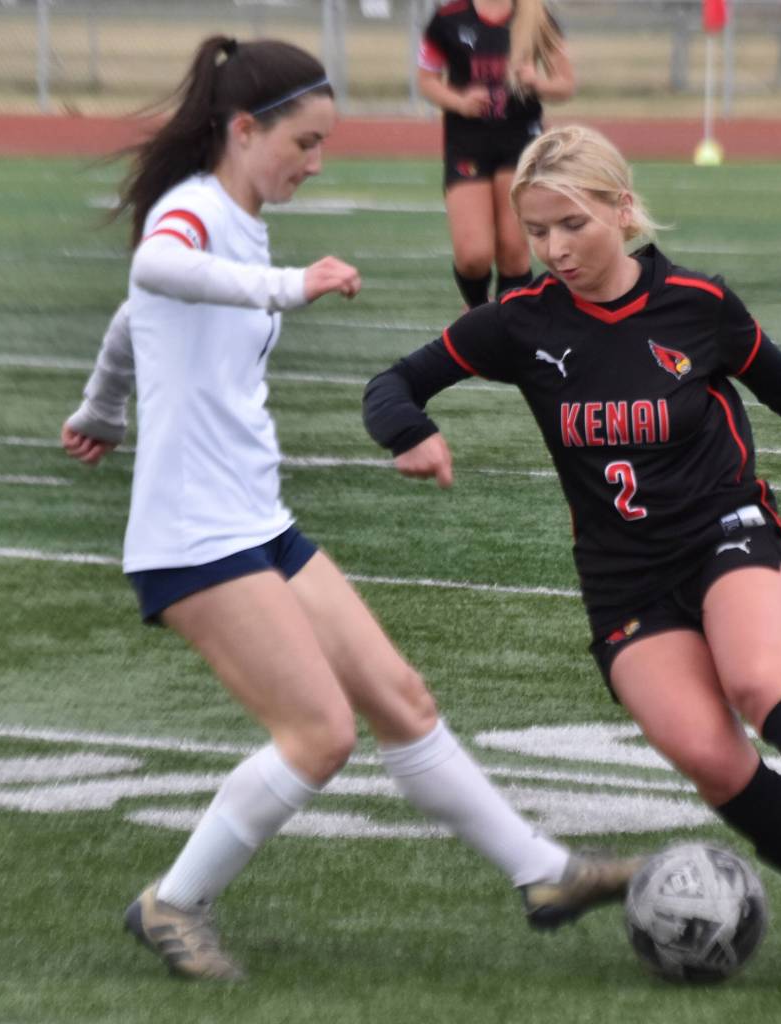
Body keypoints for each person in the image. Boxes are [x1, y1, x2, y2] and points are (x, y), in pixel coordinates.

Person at [61, 46, 639, 982]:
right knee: (319, 735)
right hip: (191, 534)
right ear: (244, 130)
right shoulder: (194, 212)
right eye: (305, 142)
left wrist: (100, 410)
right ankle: (174, 903)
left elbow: (133, 319)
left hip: (254, 519)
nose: (315, 162)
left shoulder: (239, 222)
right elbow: (159, 272)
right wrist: (290, 285)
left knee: (400, 700)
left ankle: (544, 874)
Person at [363, 124, 781, 976]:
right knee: (712, 761)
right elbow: (392, 383)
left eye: (572, 224)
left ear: (621, 209)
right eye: (536, 231)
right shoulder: (520, 324)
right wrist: (408, 432)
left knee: (761, 679)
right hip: (621, 579)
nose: (553, 249)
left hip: (729, 535)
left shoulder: (697, 306)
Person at [417, 0, 575, 308]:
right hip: (467, 141)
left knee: (513, 253)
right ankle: (477, 312)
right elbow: (427, 81)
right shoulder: (448, 17)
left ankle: (505, 329)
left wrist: (536, 82)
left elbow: (565, 84)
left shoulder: (536, 15)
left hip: (521, 140)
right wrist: (460, 101)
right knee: (473, 255)